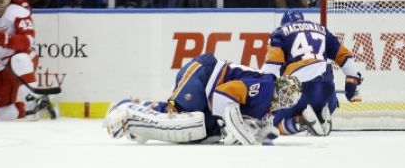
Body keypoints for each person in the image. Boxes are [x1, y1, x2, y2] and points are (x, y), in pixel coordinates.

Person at [103, 53, 302, 145]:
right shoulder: (266, 86)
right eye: (287, 92)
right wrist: (243, 134)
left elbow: (266, 132)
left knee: (199, 129)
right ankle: (125, 108)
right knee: (179, 115)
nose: (285, 98)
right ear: (281, 85)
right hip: (204, 75)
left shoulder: (268, 108)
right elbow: (225, 93)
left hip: (209, 95)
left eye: (290, 98)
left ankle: (139, 120)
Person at [261, 10, 363, 136]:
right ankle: (322, 116)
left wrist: (262, 99)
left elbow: (270, 69)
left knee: (272, 124)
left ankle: (300, 122)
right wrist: (351, 89)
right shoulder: (322, 30)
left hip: (298, 91)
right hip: (327, 93)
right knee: (325, 94)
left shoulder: (280, 32)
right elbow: (346, 58)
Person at [0, 0, 55, 120]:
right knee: (5, 114)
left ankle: (32, 100)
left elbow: (28, 40)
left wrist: (6, 40)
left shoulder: (18, 12)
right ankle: (39, 102)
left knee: (19, 58)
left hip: (22, 60)